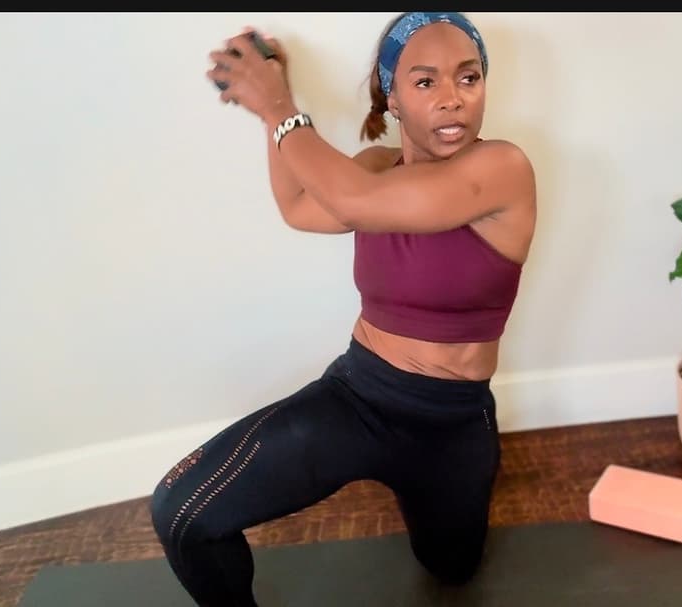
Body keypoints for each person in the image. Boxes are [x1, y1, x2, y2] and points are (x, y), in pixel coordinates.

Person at [149, 11, 537, 606]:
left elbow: (357, 202)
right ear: (393, 97)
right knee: (180, 511)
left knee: (452, 571)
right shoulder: (377, 166)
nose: (453, 98)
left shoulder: (503, 169)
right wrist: (274, 110)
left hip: (453, 423)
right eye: (425, 81)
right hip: (359, 397)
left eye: (469, 77)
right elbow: (300, 205)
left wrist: (280, 105)